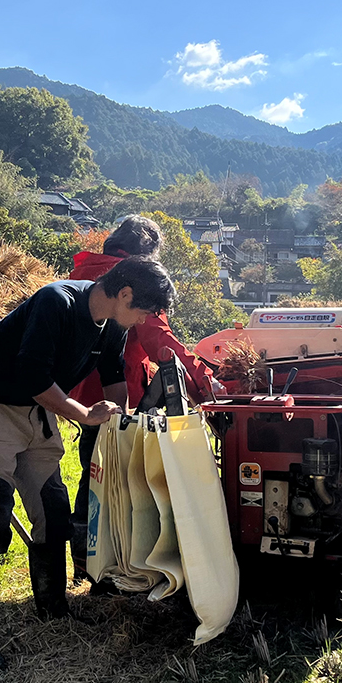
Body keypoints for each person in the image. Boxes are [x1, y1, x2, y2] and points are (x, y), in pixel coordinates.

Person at [0, 255, 176, 672]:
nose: (144, 319)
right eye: (144, 311)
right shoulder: (56, 302)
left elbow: (112, 374)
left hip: (36, 411)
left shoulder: (113, 324)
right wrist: (85, 414)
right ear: (125, 294)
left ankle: (53, 607)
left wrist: (120, 422)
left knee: (54, 511)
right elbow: (35, 377)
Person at [66, 215, 223, 582]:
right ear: (145, 255)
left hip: (82, 391)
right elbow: (160, 342)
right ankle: (113, 562)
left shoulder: (84, 272)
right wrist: (207, 382)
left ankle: (84, 561)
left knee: (93, 474)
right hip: (120, 392)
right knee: (119, 479)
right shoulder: (136, 281)